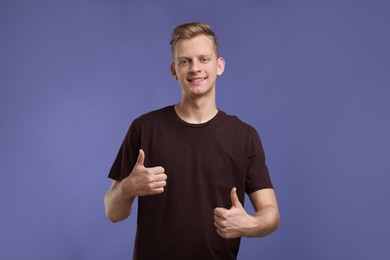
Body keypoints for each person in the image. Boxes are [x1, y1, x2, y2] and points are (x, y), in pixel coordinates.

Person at [104, 22, 280, 260]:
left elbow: (271, 214)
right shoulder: (144, 128)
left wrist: (249, 224)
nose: (194, 68)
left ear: (219, 66)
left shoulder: (244, 136)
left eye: (204, 59)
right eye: (185, 61)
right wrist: (126, 189)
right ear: (174, 71)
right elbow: (113, 212)